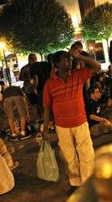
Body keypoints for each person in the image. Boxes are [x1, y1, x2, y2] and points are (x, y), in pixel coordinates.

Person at [42, 50, 100, 187]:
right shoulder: (49, 84)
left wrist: (79, 56)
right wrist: (45, 129)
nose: (69, 61)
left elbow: (96, 66)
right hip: (62, 125)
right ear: (56, 64)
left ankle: (88, 182)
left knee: (86, 152)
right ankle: (75, 182)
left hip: (80, 122)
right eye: (65, 59)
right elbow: (47, 108)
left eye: (69, 58)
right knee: (69, 156)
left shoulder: (77, 76)